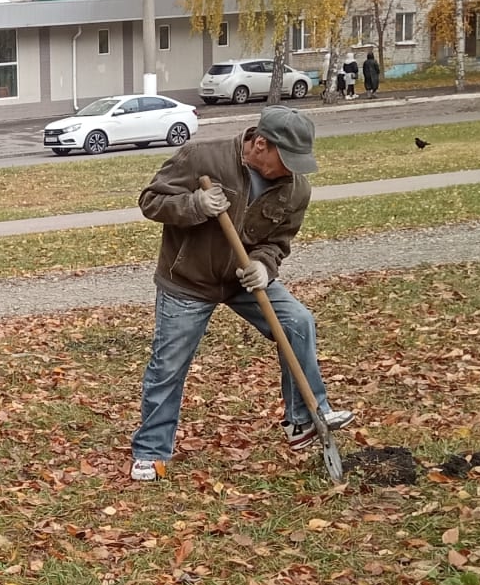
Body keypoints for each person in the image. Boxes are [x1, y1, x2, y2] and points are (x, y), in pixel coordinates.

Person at [129, 107, 354, 480]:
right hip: (189, 280)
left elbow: (278, 241)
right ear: (260, 144)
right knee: (168, 365)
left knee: (297, 321)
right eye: (287, 160)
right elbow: (150, 201)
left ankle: (303, 420)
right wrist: (194, 205)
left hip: (242, 280)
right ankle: (151, 450)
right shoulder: (203, 157)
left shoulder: (296, 187)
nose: (292, 170)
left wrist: (264, 266)